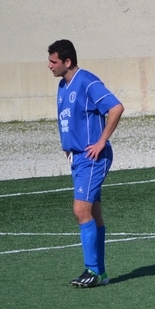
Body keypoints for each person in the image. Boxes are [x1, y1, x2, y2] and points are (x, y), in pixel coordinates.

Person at [48, 40, 125, 289]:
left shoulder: (88, 81)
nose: (49, 66)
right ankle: (100, 273)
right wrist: (68, 146)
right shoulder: (63, 86)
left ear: (67, 61)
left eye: (53, 61)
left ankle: (91, 270)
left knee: (81, 211)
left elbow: (116, 108)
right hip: (78, 158)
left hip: (92, 158)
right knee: (93, 213)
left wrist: (102, 141)